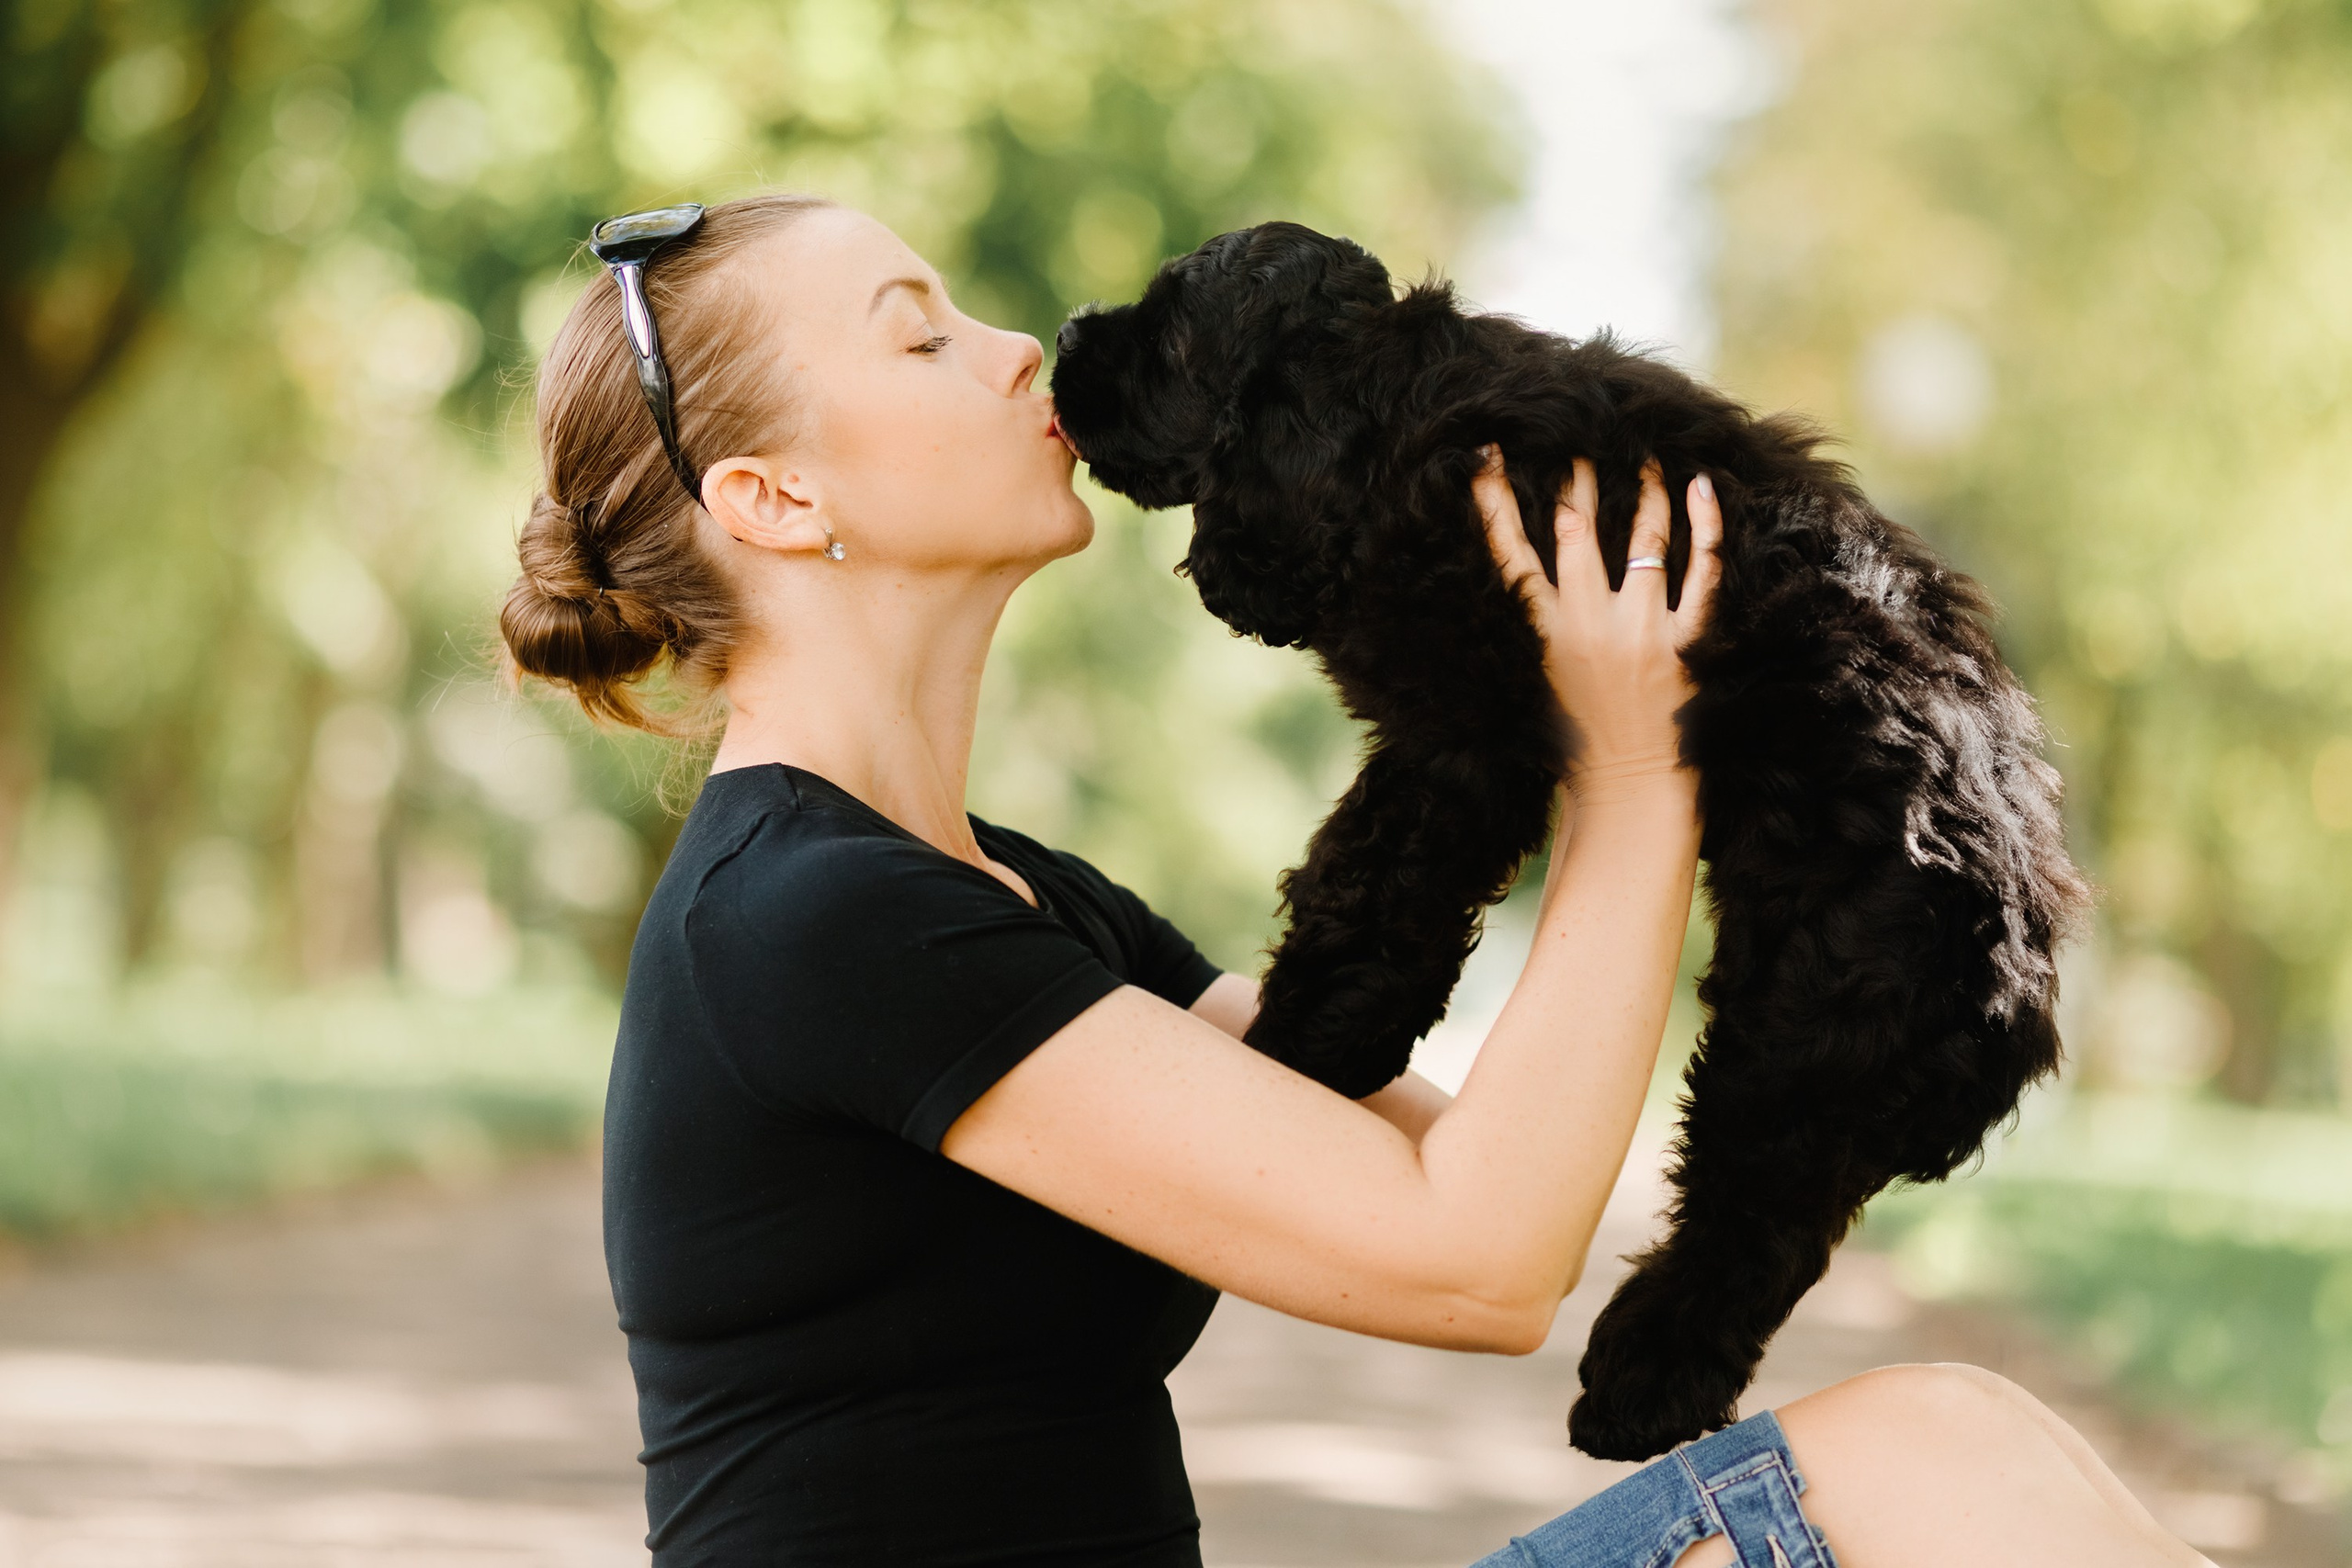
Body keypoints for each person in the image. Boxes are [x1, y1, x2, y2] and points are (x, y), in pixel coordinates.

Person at [501, 192, 2213, 1568]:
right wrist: (1626, 758)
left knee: (1971, 1437)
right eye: (923, 334)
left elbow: (1456, 1158)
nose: (1017, 347)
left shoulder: (1009, 895)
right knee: (1936, 1461)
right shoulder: (815, 920)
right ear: (773, 499)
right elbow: (1481, 1259)